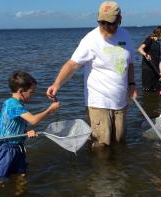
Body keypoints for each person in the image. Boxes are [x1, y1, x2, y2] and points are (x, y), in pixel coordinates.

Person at [46, 1, 137, 148]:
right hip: (98, 102)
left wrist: (132, 85)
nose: (106, 26)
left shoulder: (125, 35)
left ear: (120, 19)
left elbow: (130, 63)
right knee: (101, 146)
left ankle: (118, 171)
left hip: (121, 101)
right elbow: (73, 64)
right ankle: (101, 171)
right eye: (102, 22)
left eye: (110, 23)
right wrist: (57, 84)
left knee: (120, 143)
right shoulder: (90, 39)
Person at [0, 71, 60, 191]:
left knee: (22, 175)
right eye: (31, 92)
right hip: (5, 149)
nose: (32, 95)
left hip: (18, 146)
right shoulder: (13, 105)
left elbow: (15, 125)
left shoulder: (16, 103)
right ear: (21, 91)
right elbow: (33, 120)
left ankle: (20, 193)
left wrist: (26, 133)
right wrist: (50, 109)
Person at [138, 26, 161, 92]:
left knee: (158, 89)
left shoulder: (158, 44)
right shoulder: (149, 39)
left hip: (156, 70)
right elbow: (140, 49)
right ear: (160, 34)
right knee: (147, 90)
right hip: (147, 69)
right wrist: (146, 54)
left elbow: (159, 59)